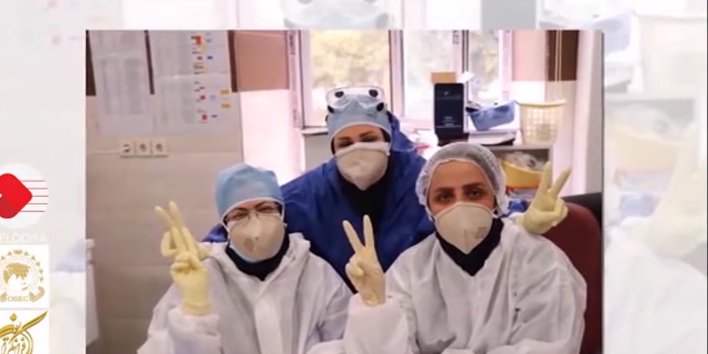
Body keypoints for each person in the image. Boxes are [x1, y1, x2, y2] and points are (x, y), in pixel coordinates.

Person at [202, 90, 571, 290]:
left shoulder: (424, 179)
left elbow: (480, 208)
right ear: (331, 147)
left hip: (424, 314)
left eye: (368, 138)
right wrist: (207, 249)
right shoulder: (308, 194)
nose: (357, 149)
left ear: (388, 137)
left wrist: (524, 218)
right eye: (345, 143)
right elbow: (253, 219)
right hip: (338, 319)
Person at [342, 142, 587, 354]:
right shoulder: (409, 269)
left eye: (474, 193)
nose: (459, 206)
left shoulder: (540, 261)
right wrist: (375, 311)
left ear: (496, 197)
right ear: (428, 206)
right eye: (444, 196)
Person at [139, 164, 353, 354]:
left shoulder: (316, 272)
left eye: (265, 209)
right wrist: (194, 311)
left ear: (281, 212)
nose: (255, 222)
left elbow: (348, 338)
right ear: (225, 224)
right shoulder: (200, 276)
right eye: (240, 214)